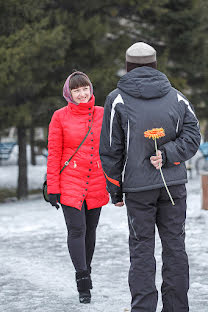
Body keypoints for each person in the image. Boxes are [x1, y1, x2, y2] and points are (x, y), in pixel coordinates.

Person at [99, 42, 201, 312]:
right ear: (155, 66)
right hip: (174, 187)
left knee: (142, 249)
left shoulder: (116, 99)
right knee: (175, 246)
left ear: (128, 66)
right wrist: (170, 154)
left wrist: (115, 189)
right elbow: (193, 136)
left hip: (138, 189)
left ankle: (143, 308)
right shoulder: (177, 97)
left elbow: (111, 150)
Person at [47, 71, 109, 304]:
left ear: (90, 90)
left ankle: (87, 269)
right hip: (69, 182)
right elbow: (54, 154)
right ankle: (83, 282)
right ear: (69, 93)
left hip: (95, 181)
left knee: (90, 231)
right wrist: (53, 187)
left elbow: (115, 147)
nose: (82, 94)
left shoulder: (103, 114)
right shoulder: (59, 117)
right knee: (77, 230)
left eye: (85, 89)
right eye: (76, 90)